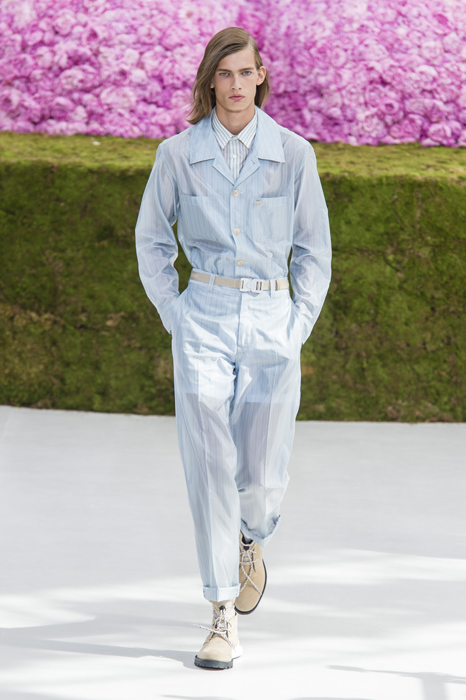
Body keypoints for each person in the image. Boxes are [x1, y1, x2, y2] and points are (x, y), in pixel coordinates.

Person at [135, 26, 331, 670]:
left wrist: (297, 324)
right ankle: (221, 611)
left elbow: (314, 251)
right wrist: (177, 313)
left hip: (274, 319)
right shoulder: (177, 155)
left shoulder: (294, 154)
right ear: (210, 81)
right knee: (209, 463)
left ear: (261, 75)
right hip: (204, 318)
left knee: (264, 475)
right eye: (225, 74)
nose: (236, 84)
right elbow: (151, 241)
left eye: (246, 72)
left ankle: (253, 536)